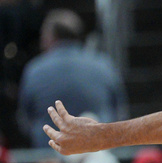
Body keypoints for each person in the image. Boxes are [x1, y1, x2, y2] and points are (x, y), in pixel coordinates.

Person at [17, 9, 127, 148]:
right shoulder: (103, 64)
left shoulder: (34, 69)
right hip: (97, 152)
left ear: (49, 37)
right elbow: (120, 112)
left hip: (50, 154)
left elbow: (24, 120)